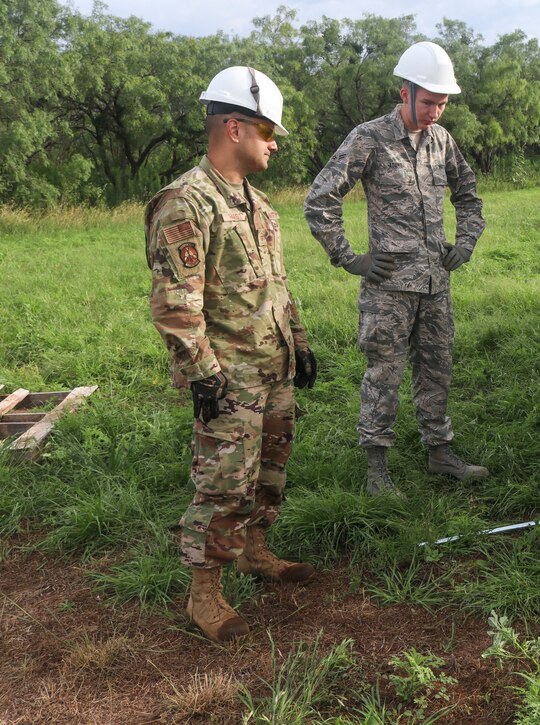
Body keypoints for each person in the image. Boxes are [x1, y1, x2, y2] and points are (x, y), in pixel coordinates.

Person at [145, 66, 317, 643]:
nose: (274, 143)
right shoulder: (187, 203)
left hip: (275, 368)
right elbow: (176, 303)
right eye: (269, 132)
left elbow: (278, 283)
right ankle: (204, 595)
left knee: (270, 472)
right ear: (235, 128)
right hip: (229, 377)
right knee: (222, 486)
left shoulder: (260, 206)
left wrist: (302, 341)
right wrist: (203, 375)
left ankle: (255, 552)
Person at [304, 42, 487, 496]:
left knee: (437, 368)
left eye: (442, 103)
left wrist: (464, 244)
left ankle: (440, 453)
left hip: (435, 285)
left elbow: (469, 195)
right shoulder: (369, 137)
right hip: (388, 288)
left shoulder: (442, 140)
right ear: (403, 92)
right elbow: (320, 198)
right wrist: (349, 258)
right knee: (383, 375)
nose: (435, 112)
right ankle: (376, 471)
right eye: (428, 102)